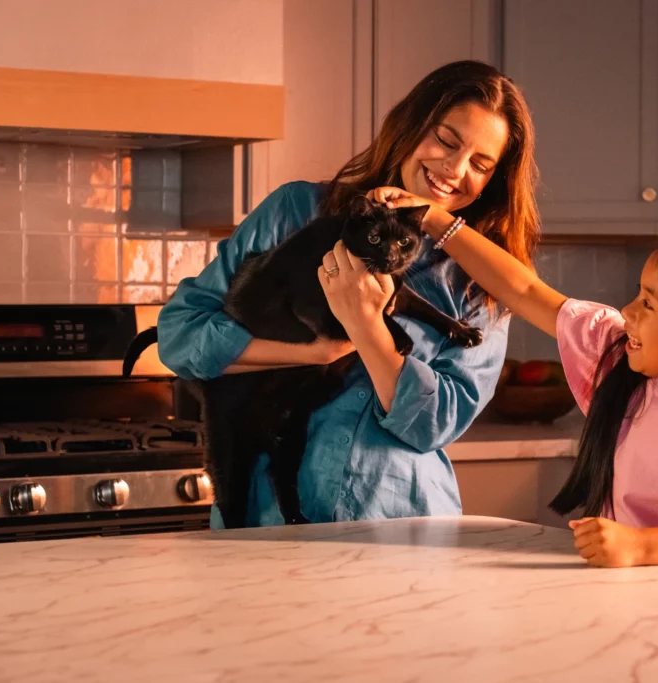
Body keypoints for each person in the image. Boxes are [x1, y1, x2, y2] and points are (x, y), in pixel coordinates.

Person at [157, 60, 539, 528]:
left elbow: (433, 425)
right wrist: (316, 352)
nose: (454, 170)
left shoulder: (480, 280)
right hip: (263, 525)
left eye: (481, 164)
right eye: (446, 139)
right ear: (411, 125)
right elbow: (178, 337)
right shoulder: (296, 211)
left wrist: (364, 325)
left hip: (398, 533)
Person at [366, 186, 658, 570]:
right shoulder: (618, 363)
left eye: (648, 305)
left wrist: (639, 546)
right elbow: (524, 291)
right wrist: (436, 219)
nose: (627, 312)